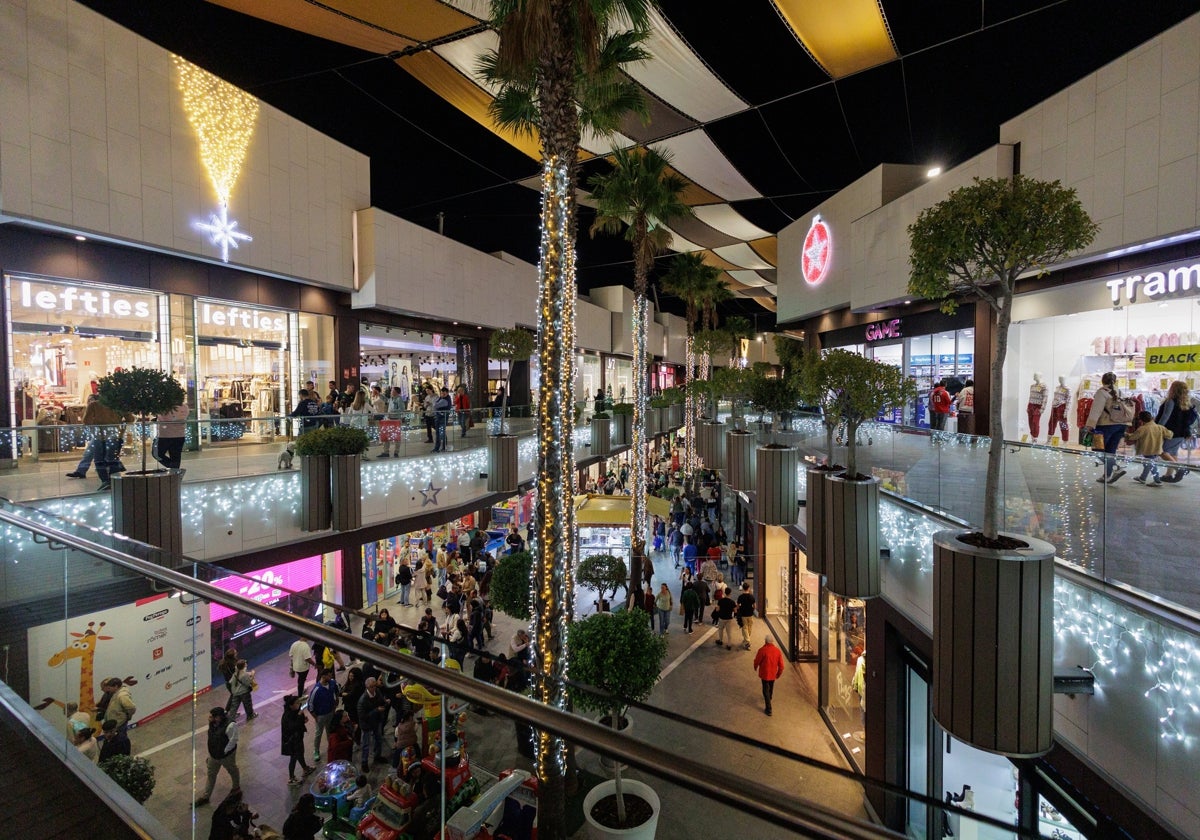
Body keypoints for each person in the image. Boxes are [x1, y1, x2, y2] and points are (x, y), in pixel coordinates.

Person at [1083, 372, 1131, 484]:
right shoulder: (1120, 392)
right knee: (1110, 451)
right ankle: (1107, 475)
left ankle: (1116, 468)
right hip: (1121, 425)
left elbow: (1096, 410)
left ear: (1102, 381)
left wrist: (1090, 425)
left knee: (1096, 449)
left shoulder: (1102, 392)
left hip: (1105, 425)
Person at [195, 707, 240, 807]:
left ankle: (236, 788)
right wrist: (213, 753)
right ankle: (206, 796)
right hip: (213, 755)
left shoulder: (230, 725)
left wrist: (224, 752)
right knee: (211, 774)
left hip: (226, 756)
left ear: (218, 717)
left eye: (212, 717)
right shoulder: (213, 723)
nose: (209, 718)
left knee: (232, 770)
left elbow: (233, 740)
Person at [85, 397, 131, 492]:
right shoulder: (120, 404)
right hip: (115, 435)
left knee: (99, 460)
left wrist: (95, 426)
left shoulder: (93, 405)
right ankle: (114, 481)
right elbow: (130, 418)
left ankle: (105, 481)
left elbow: (86, 421)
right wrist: (121, 426)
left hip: (99, 436)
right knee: (113, 460)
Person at [1156, 380, 1196, 482]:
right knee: (1172, 453)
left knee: (1162, 451)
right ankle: (1168, 475)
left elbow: (1165, 417)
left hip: (1171, 431)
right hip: (1182, 432)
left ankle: (1179, 468)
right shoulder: (1187, 403)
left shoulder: (1171, 401)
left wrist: (1157, 428)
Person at [1126, 411, 1172, 486]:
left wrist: (1126, 435)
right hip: (1157, 449)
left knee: (1151, 465)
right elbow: (1169, 434)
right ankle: (1142, 478)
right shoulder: (1160, 427)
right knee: (1148, 464)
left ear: (1141, 420)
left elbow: (1133, 437)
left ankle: (1157, 481)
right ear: (1151, 418)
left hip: (1147, 450)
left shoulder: (1142, 428)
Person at [281, 694, 315, 785]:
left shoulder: (295, 711)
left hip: (298, 738)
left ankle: (305, 768)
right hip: (292, 741)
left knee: (300, 753)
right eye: (296, 703)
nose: (299, 704)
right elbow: (293, 727)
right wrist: (300, 716)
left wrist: (303, 719)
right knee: (294, 757)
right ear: (290, 705)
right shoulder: (287, 715)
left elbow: (298, 722)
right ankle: (291, 778)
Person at [357, 677, 388, 772]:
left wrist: (385, 702)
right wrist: (376, 710)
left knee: (378, 739)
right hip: (366, 724)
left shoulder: (377, 692)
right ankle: (364, 763)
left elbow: (382, 701)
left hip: (376, 721)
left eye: (375, 685)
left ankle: (377, 756)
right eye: (371, 687)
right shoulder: (362, 700)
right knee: (366, 745)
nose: (374, 688)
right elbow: (363, 716)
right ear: (367, 687)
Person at [307, 668, 338, 763]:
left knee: (330, 731)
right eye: (329, 675)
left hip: (331, 712)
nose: (331, 677)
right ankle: (316, 751)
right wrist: (315, 717)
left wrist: (336, 703)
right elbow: (310, 705)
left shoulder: (332, 683)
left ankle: (331, 747)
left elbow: (337, 691)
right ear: (323, 676)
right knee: (318, 734)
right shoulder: (316, 689)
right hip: (321, 716)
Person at [752, 635, 785, 716]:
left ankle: (769, 708)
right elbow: (782, 666)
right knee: (771, 686)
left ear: (765, 641)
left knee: (765, 689)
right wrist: (778, 674)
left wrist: (755, 667)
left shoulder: (762, 650)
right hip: (773, 673)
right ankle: (769, 697)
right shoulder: (777, 651)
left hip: (765, 673)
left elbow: (757, 660)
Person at [154, 399, 188, 470]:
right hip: (180, 435)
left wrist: (158, 416)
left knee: (157, 454)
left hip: (165, 436)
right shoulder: (185, 407)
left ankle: (173, 468)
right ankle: (175, 471)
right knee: (176, 457)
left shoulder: (166, 407)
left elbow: (163, 418)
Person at [714, 586, 737, 650]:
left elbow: (717, 610)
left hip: (722, 618)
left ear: (724, 593)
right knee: (729, 632)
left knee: (720, 630)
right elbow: (735, 611)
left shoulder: (721, 601)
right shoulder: (732, 602)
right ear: (730, 593)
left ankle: (720, 641)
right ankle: (729, 644)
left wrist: (717, 608)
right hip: (729, 618)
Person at [736, 581, 757, 650]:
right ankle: (747, 639)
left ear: (743, 588)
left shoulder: (740, 597)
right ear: (748, 588)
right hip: (750, 614)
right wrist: (752, 609)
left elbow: (738, 606)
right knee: (749, 627)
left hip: (743, 614)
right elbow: (754, 606)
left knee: (744, 627)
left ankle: (747, 640)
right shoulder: (751, 597)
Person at [217, 647, 239, 712]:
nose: (236, 654)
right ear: (233, 656)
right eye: (235, 653)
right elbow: (236, 673)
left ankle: (230, 711)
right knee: (234, 697)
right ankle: (227, 711)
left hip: (228, 683)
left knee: (234, 697)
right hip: (232, 683)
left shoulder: (225, 662)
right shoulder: (231, 664)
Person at [432, 386, 453, 452]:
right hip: (441, 417)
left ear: (447, 393)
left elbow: (435, 405)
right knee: (441, 432)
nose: (442, 395)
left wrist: (436, 402)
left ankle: (440, 447)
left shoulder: (444, 400)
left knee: (440, 433)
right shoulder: (445, 399)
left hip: (441, 418)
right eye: (441, 393)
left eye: (444, 393)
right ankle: (442, 447)